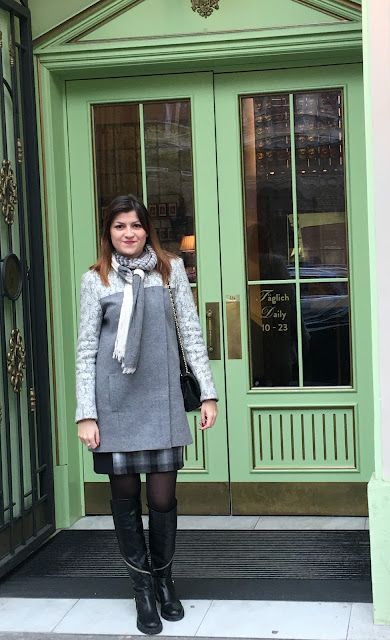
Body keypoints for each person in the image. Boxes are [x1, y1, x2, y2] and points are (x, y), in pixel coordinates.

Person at [75, 194, 218, 635]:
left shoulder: (169, 270)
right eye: (120, 225)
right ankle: (142, 590)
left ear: (146, 229)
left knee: (161, 499)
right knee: (125, 501)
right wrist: (86, 413)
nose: (129, 233)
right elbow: (86, 349)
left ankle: (164, 580)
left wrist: (208, 394)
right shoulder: (95, 280)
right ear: (109, 232)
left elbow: (191, 333)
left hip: (162, 401)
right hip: (114, 405)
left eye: (135, 225)